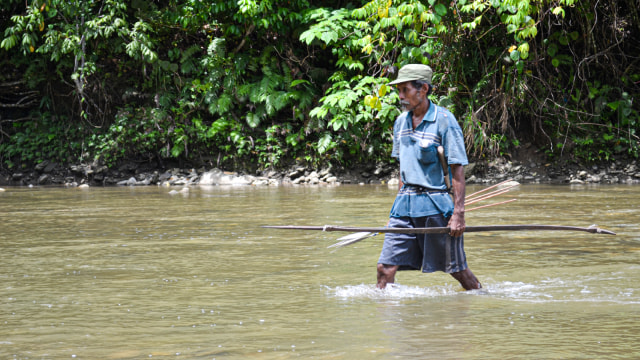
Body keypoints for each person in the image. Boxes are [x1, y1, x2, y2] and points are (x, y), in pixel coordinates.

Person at [377, 64, 481, 290]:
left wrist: (458, 214)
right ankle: (387, 321)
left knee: (457, 270)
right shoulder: (400, 123)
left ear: (423, 89)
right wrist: (394, 214)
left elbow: (457, 170)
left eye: (405, 90)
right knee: (385, 268)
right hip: (404, 209)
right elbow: (403, 170)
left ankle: (479, 298)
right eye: (399, 91)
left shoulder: (444, 120)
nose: (401, 96)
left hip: (435, 207)